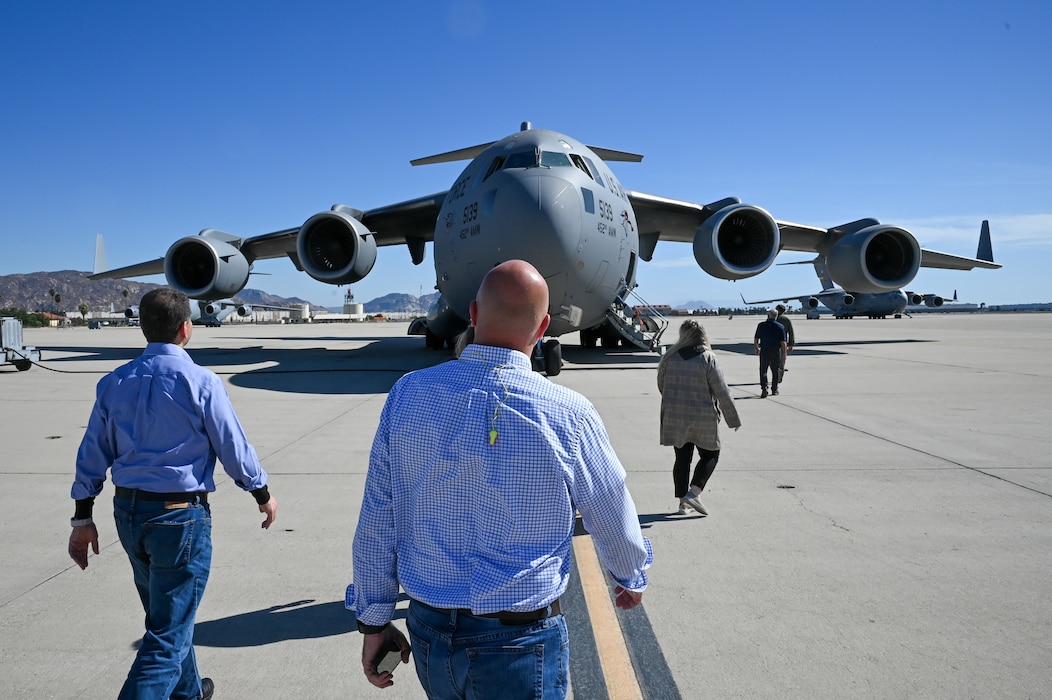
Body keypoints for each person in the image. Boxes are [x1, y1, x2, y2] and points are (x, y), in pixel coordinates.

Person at [351, 260, 652, 698]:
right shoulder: (568, 412)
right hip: (518, 641)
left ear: (472, 314)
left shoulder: (408, 395)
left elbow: (378, 516)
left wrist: (374, 620)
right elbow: (610, 506)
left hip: (430, 631)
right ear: (543, 326)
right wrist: (630, 575)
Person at [67, 288, 278, 700]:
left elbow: (92, 453)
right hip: (178, 519)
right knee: (166, 637)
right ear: (186, 328)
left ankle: (189, 693)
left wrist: (81, 517)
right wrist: (261, 492)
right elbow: (233, 447)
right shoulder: (201, 381)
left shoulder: (114, 383)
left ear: (143, 328)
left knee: (167, 619)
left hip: (128, 513)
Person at [657, 320, 741, 516]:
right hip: (703, 416)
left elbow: (662, 386)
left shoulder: (669, 357)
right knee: (711, 455)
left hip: (676, 416)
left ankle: (682, 504)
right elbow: (722, 391)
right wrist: (733, 418)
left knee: (682, 458)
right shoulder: (708, 358)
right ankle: (694, 493)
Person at [753, 309, 787, 398]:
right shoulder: (780, 327)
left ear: (768, 316)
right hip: (775, 351)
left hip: (764, 351)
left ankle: (764, 389)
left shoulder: (761, 325)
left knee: (763, 370)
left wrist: (756, 347)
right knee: (775, 371)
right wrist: (784, 354)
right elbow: (783, 342)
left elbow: (756, 338)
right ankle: (774, 389)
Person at [774, 303, 795, 381]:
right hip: (784, 342)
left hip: (773, 342)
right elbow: (791, 332)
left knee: (773, 359)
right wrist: (791, 344)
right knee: (782, 359)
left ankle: (776, 372)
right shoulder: (786, 320)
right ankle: (781, 372)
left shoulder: (773, 318)